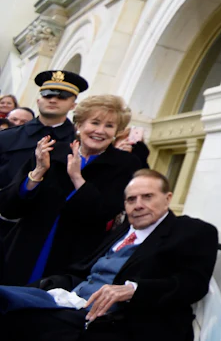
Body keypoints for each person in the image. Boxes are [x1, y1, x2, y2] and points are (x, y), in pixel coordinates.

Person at [0, 169, 219, 341]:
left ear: (167, 198)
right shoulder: (123, 231)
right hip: (69, 300)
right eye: (131, 199)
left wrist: (133, 289)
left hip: (117, 321)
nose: (139, 205)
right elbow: (83, 272)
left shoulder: (192, 231)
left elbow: (193, 284)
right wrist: (47, 287)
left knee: (18, 319)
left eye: (148, 197)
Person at [0, 95, 143, 286]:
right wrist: (37, 172)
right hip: (23, 249)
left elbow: (104, 213)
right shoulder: (50, 151)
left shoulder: (125, 165)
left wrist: (77, 178)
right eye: (95, 122)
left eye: (109, 126)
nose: (100, 131)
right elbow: (10, 207)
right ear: (80, 125)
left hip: (74, 259)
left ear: (117, 132)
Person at [0, 71, 87, 189]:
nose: (53, 100)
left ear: (73, 105)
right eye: (48, 95)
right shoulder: (6, 137)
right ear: (38, 101)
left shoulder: (80, 143)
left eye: (62, 97)